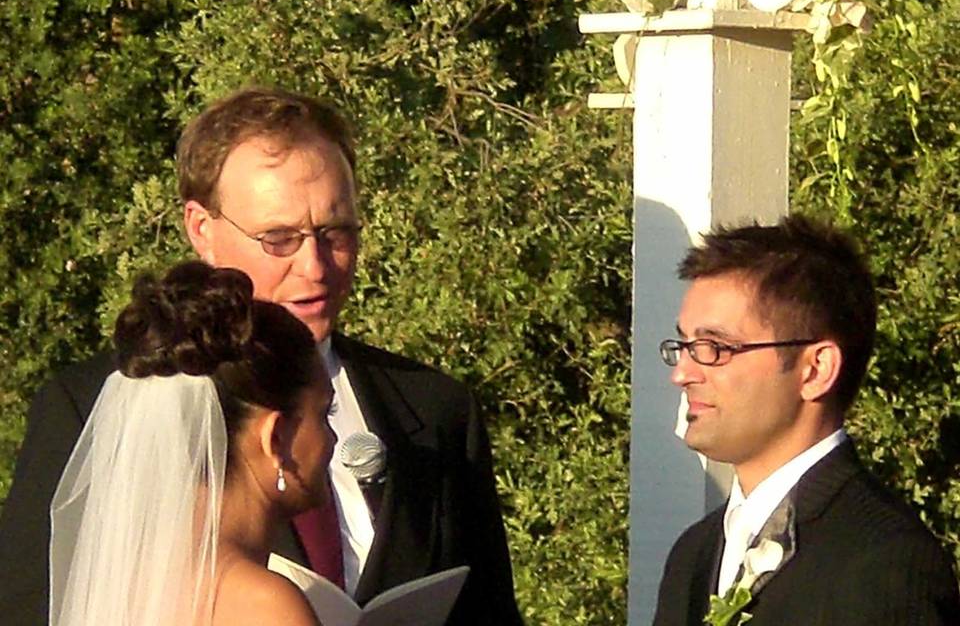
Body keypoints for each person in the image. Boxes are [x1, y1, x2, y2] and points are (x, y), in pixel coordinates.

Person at [0, 87, 522, 625]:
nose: (316, 267)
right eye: (279, 239)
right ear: (201, 228)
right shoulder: (93, 408)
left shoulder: (437, 408)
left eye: (335, 232)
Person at [651, 215, 960, 625]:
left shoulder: (885, 565)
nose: (682, 373)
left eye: (715, 347)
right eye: (684, 346)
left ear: (815, 370)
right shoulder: (693, 555)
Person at [51, 261, 334, 625]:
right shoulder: (262, 608)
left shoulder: (128, 584)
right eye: (325, 414)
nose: (332, 438)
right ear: (275, 437)